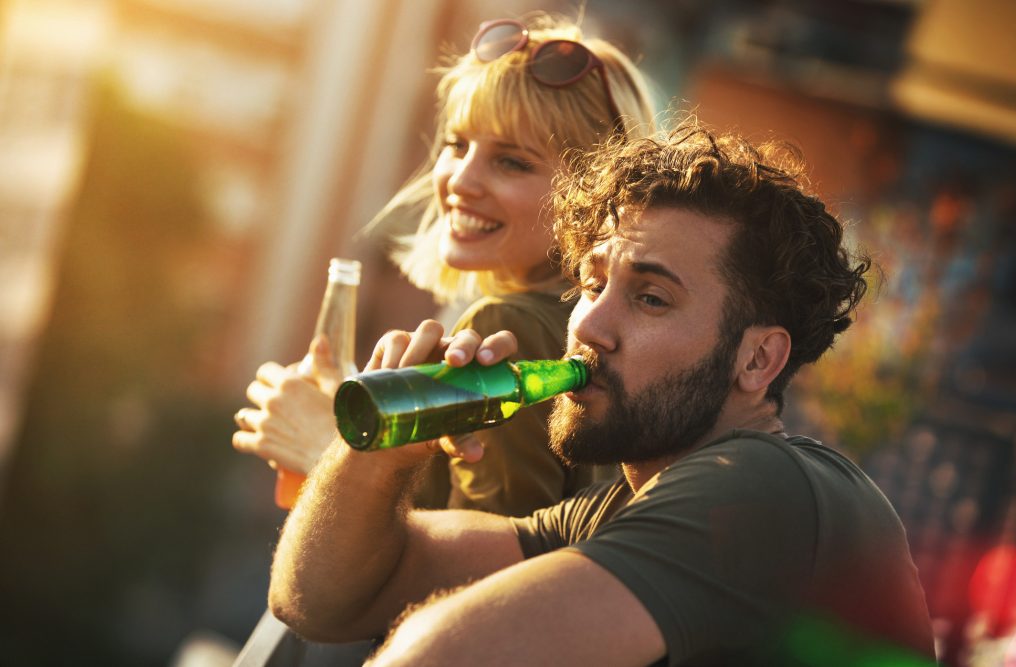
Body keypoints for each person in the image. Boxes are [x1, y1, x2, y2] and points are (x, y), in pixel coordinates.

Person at [267, 120, 937, 667]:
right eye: (591, 284)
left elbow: (439, 657)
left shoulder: (763, 489)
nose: (588, 325)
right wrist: (378, 456)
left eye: (649, 297)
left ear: (758, 357)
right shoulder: (615, 509)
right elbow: (321, 598)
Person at [232, 12, 657, 515]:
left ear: (592, 193)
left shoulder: (506, 326)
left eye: (511, 161)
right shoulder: (606, 332)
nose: (459, 180)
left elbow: (483, 572)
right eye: (457, 145)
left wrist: (327, 448)